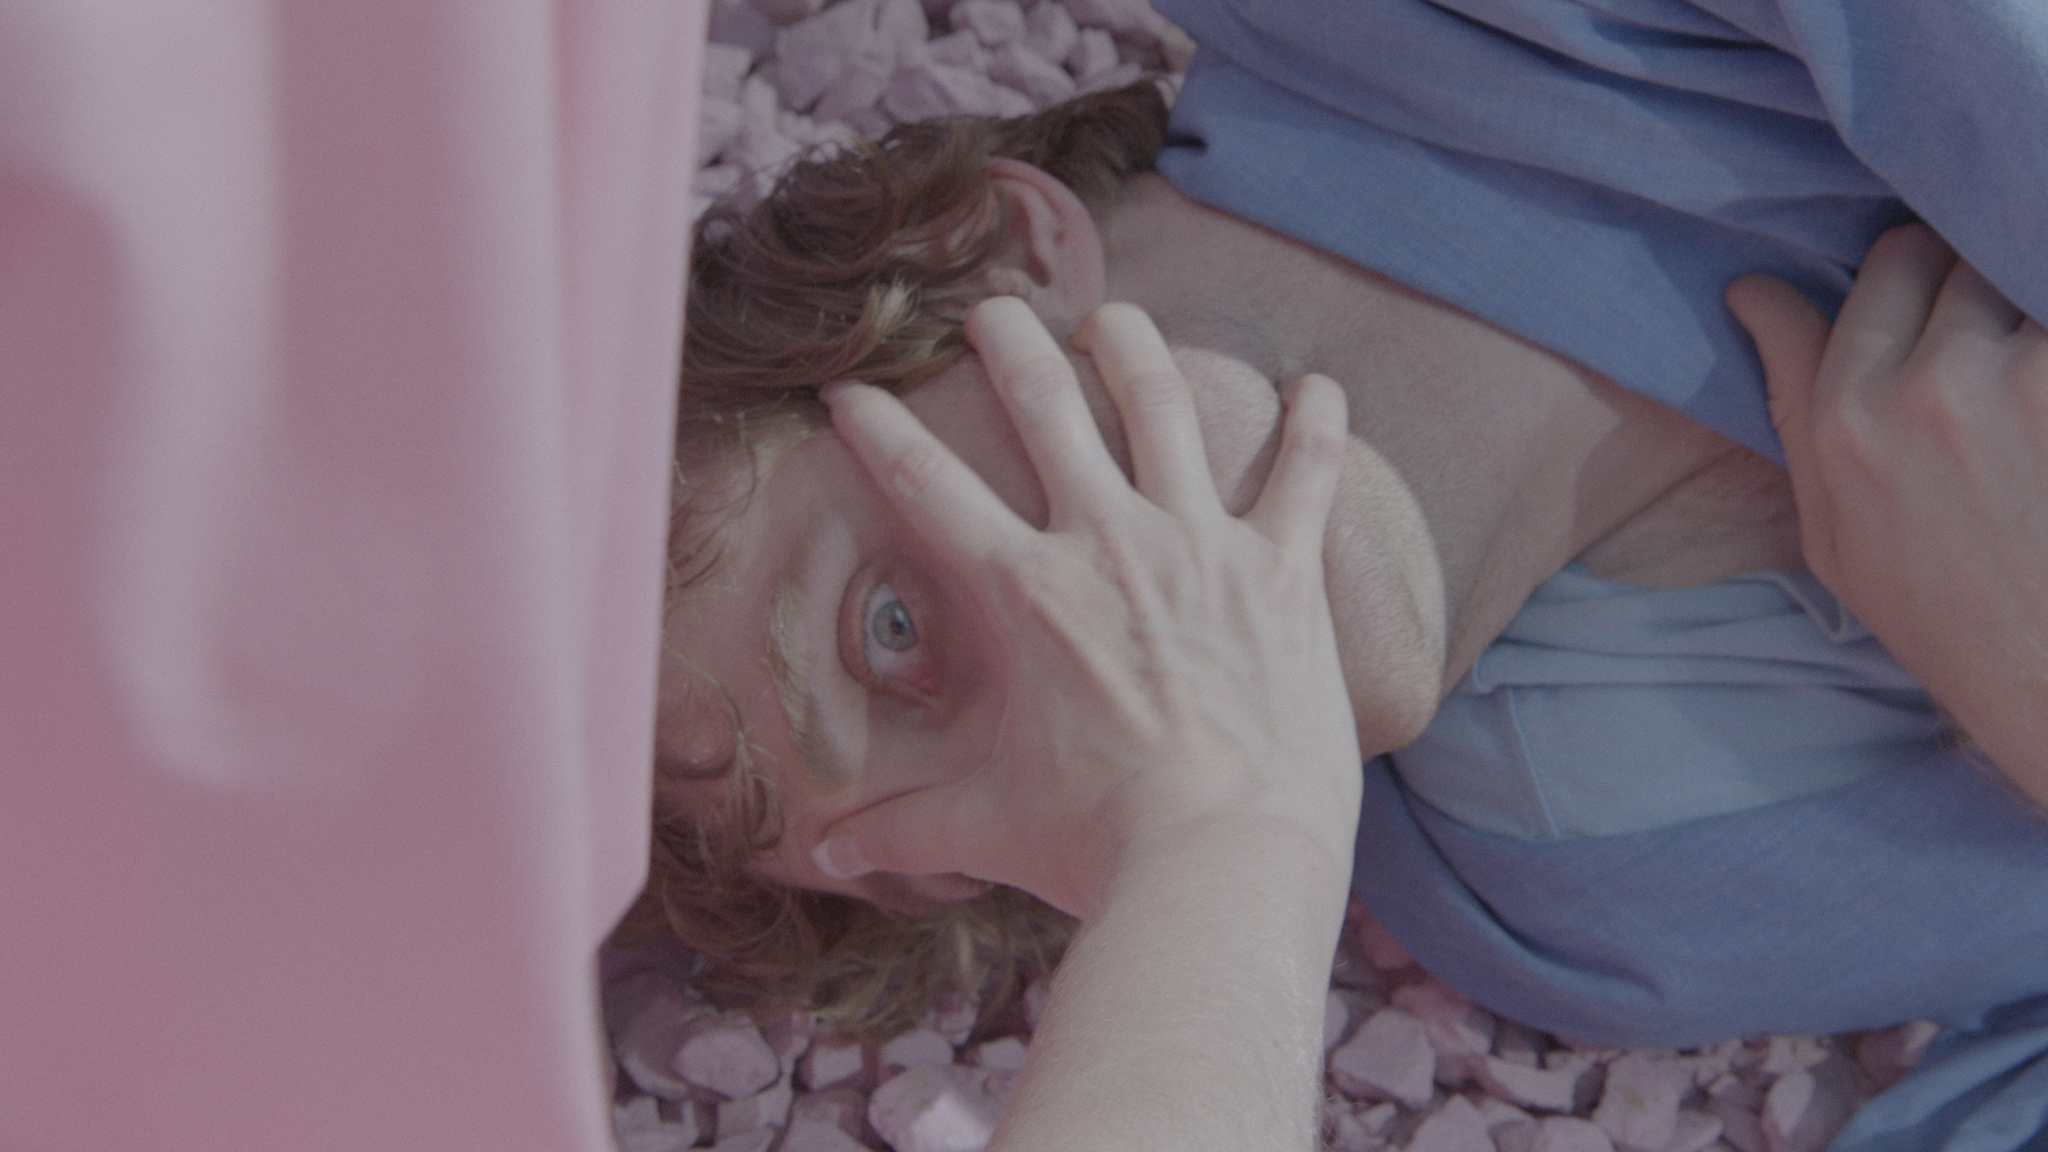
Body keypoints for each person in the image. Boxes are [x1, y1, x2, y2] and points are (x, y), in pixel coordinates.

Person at [647, 1, 2048, 1145]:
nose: (1073, 759)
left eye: (891, 625)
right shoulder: (1584, 903)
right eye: (938, 850)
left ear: (996, 257)